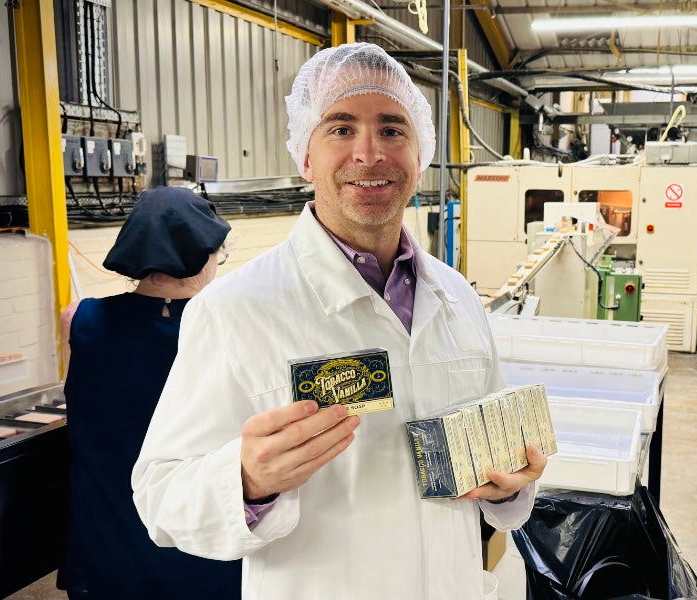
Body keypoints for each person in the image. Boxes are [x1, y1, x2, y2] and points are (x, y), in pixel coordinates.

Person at [131, 43, 546, 599]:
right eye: (341, 128)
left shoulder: (457, 297)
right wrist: (248, 482)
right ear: (305, 156)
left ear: (420, 154)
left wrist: (505, 487)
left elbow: (496, 458)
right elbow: (160, 496)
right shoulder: (234, 309)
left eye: (393, 129)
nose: (370, 153)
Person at [59, 187, 241, 599]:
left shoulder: (80, 319)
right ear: (203, 255)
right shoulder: (231, 328)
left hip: (106, 538)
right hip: (199, 545)